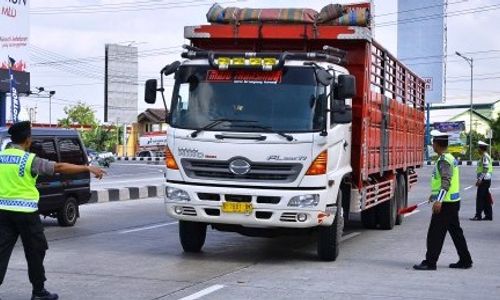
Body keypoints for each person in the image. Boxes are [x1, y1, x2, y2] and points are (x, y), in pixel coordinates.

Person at [0, 121, 106, 300]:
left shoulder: (1, 158)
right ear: (27, 140)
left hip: (3, 213)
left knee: (1, 251)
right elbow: (58, 167)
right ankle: (38, 292)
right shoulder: (29, 160)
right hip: (26, 214)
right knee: (35, 251)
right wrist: (87, 167)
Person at [413, 130, 472, 271]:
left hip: (446, 204)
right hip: (452, 201)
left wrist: (439, 200)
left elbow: (446, 181)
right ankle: (465, 260)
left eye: (433, 143)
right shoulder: (449, 158)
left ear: (437, 144)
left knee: (435, 234)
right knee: (456, 232)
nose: (432, 145)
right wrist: (434, 195)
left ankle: (430, 262)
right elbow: (442, 182)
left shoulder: (444, 160)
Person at [470, 141, 493, 221]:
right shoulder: (485, 156)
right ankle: (489, 215)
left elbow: (486, 168)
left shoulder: (485, 157)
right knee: (486, 198)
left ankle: (478, 215)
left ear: (481, 149)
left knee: (480, 198)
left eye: (478, 148)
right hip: (486, 179)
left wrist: (480, 179)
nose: (477, 150)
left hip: (484, 180)